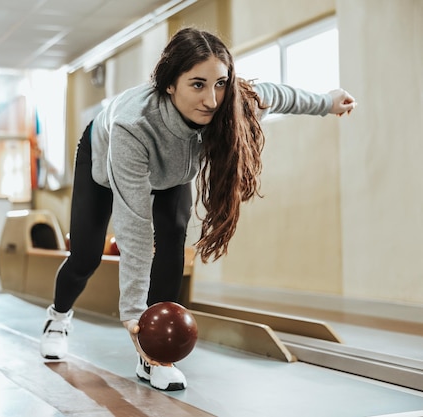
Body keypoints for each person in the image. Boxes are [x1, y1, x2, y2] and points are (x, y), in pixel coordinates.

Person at [39, 27, 357, 391]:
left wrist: (327, 102)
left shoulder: (229, 102)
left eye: (220, 83)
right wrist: (131, 311)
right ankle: (58, 317)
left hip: (173, 171)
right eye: (197, 85)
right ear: (170, 84)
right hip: (103, 160)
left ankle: (155, 356)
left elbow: (276, 95)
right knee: (86, 255)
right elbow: (134, 224)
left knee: (174, 237)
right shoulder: (133, 124)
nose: (212, 99)